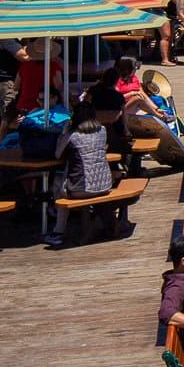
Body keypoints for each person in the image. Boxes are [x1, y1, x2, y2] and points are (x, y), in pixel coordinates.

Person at [46, 90, 121, 249]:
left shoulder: (72, 135)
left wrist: (64, 132)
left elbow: (57, 154)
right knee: (68, 178)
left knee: (58, 184)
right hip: (105, 185)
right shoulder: (102, 131)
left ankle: (58, 231)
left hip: (81, 188)